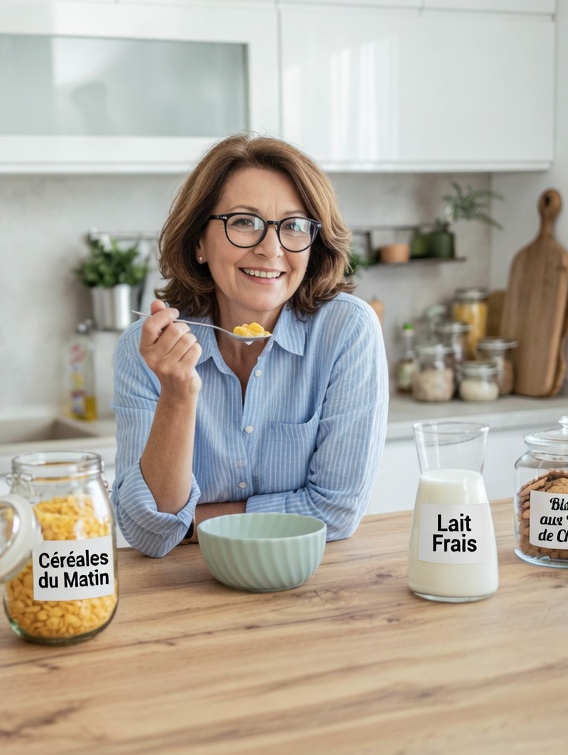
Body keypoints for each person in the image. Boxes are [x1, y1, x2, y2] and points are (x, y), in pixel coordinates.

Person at [111, 133, 388, 558]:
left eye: (294, 226)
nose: (271, 249)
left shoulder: (347, 331)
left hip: (310, 588)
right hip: (185, 595)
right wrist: (178, 395)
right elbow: (148, 532)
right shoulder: (148, 350)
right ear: (199, 242)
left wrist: (192, 523)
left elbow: (335, 511)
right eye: (243, 221)